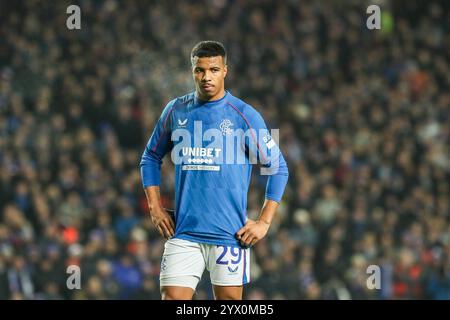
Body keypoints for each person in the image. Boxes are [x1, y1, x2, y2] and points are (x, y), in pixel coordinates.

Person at [140, 41, 289, 300]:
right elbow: (150, 157)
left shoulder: (243, 115)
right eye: (200, 70)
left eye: (214, 69)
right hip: (184, 231)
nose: (206, 76)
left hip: (229, 235)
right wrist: (155, 207)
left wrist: (264, 222)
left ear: (225, 71)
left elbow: (277, 167)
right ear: (192, 71)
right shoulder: (176, 110)